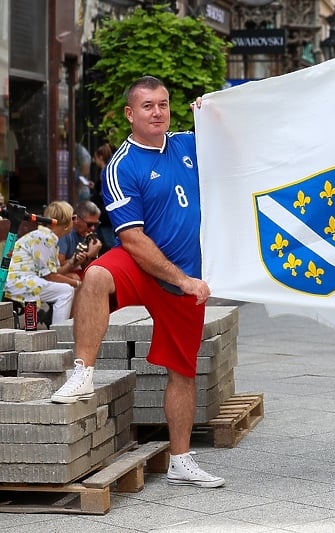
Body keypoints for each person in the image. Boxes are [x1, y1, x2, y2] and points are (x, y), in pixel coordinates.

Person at [49, 76, 224, 489]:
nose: (158, 112)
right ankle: (83, 371)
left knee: (182, 371)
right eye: (148, 106)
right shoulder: (121, 165)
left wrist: (215, 112)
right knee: (95, 274)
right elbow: (132, 239)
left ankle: (180, 459)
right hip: (146, 264)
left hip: (187, 272)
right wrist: (182, 279)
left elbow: (236, 142)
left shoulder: (188, 144)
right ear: (131, 113)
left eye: (163, 104)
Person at [4, 201, 81, 325]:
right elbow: (50, 276)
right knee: (66, 291)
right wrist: (78, 284)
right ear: (66, 222)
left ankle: (56, 324)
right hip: (18, 282)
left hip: (18, 280)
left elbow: (52, 272)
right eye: (73, 218)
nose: (74, 221)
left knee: (67, 287)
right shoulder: (45, 238)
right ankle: (59, 332)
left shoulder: (45, 236)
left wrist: (73, 263)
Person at [57, 200, 103, 279]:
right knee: (74, 278)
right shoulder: (66, 232)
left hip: (75, 271)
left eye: (96, 224)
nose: (93, 228)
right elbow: (59, 265)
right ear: (77, 219)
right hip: (58, 273)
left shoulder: (88, 234)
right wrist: (88, 255)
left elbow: (87, 267)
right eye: (89, 224)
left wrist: (93, 255)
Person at [92, 143, 117, 253]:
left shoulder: (105, 172)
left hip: (105, 213)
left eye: (96, 158)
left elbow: (104, 193)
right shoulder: (110, 170)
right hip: (106, 212)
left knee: (109, 240)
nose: (95, 161)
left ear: (101, 157)